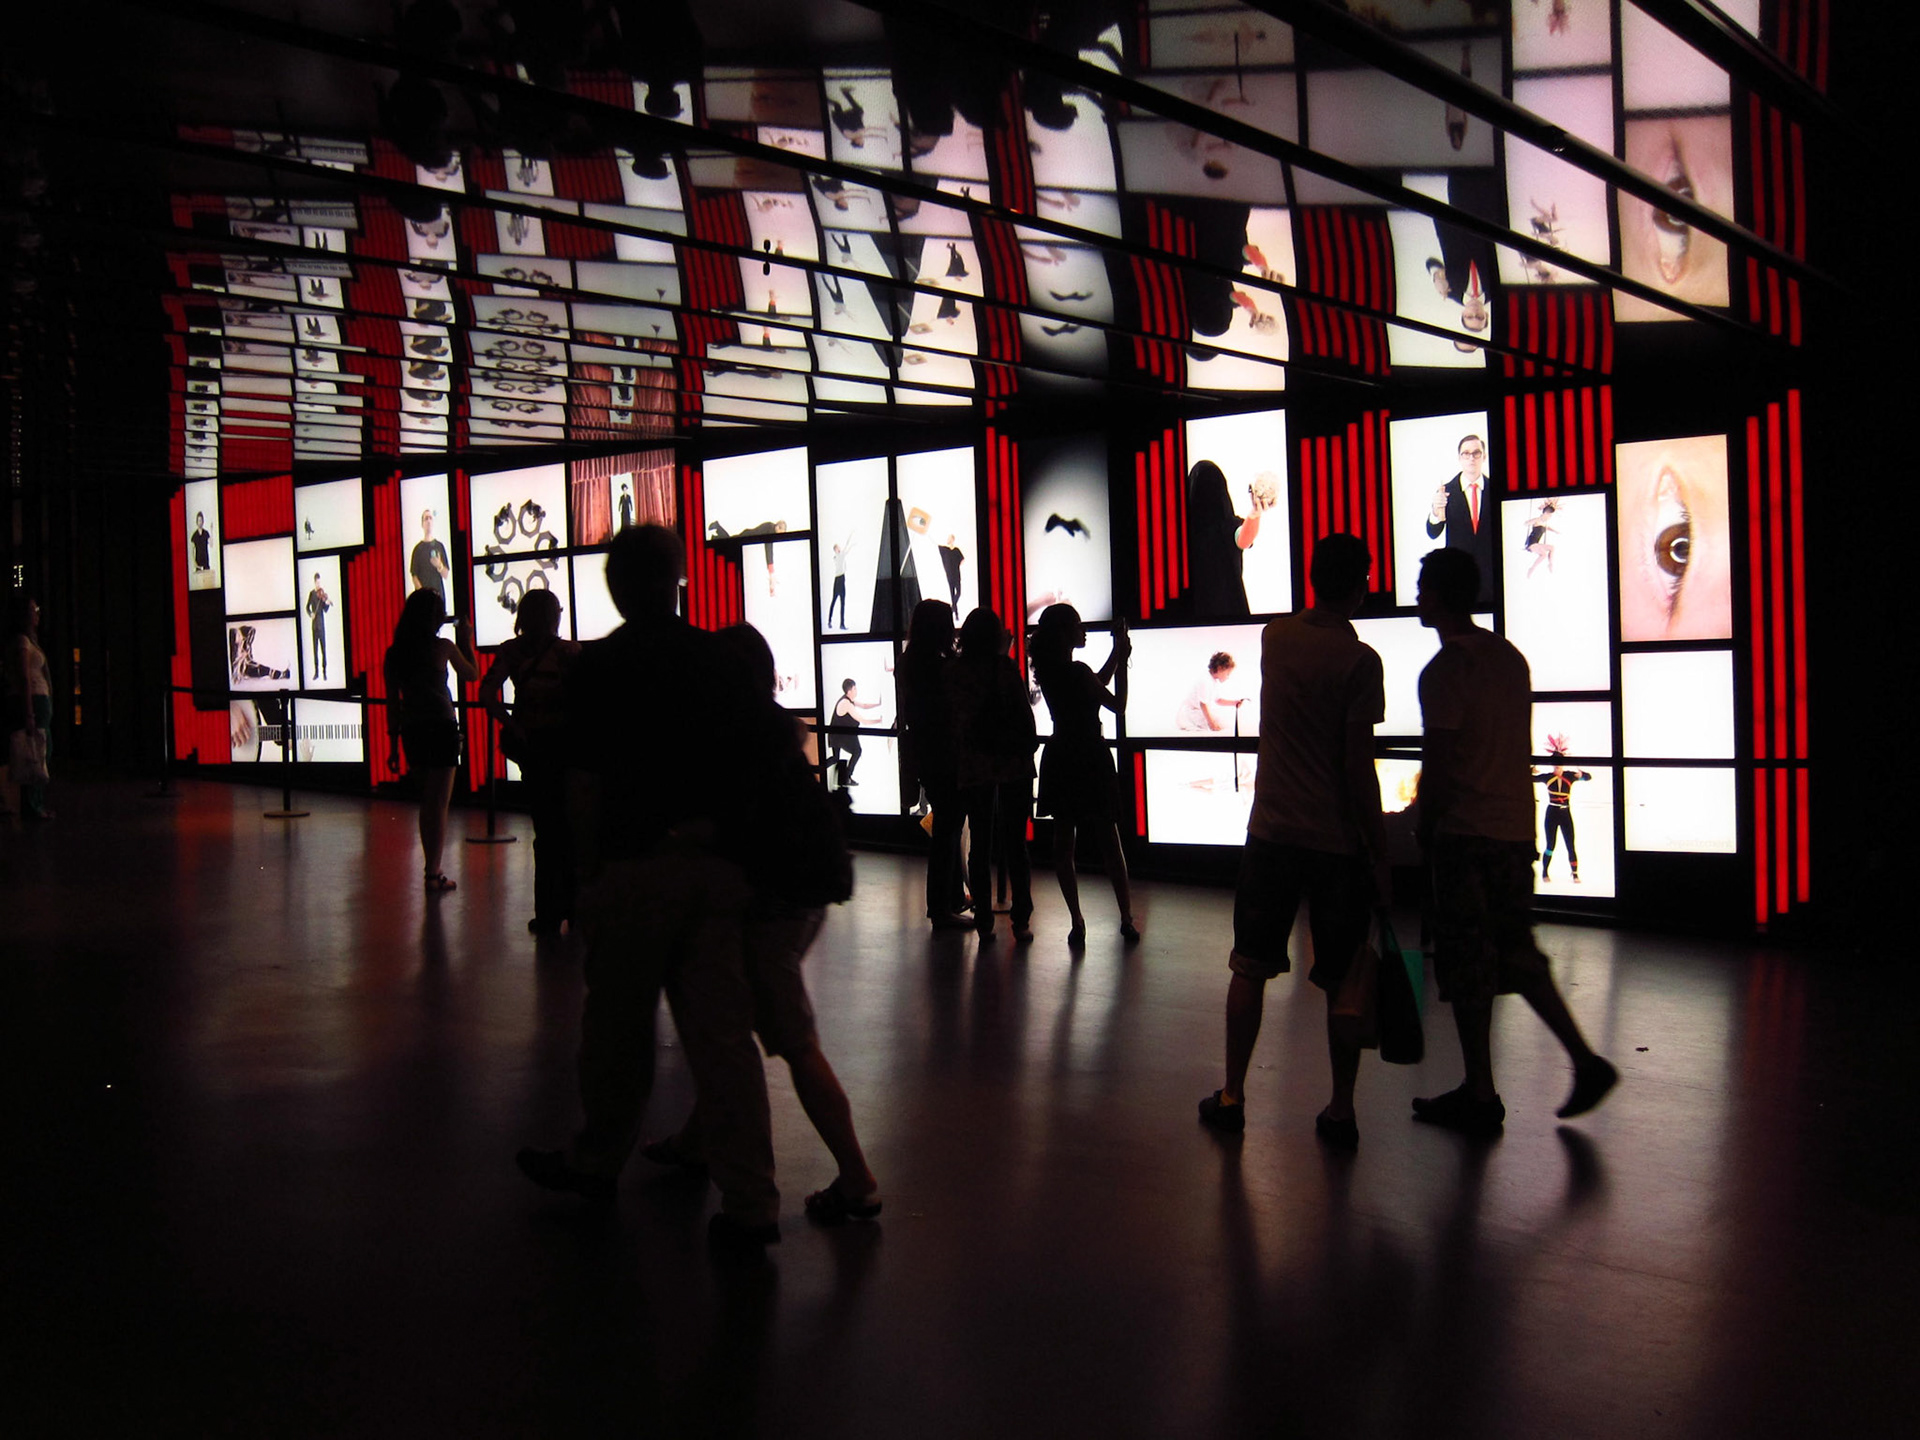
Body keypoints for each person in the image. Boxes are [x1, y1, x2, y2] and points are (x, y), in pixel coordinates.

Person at [515, 525, 788, 1255]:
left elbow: (583, 784)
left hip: (631, 871)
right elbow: (754, 770)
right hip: (711, 872)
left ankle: (597, 1160)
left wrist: (584, 877)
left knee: (615, 1032)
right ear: (677, 579)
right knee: (723, 1041)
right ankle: (753, 1199)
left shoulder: (600, 667)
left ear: (618, 586)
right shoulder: (719, 661)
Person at [643, 624, 881, 1225]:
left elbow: (737, 830)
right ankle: (697, 1142)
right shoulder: (775, 729)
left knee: (785, 1041)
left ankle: (858, 1178)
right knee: (737, 1026)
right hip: (799, 901)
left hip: (769, 906)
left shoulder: (731, 736)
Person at [1411, 547, 1617, 1135]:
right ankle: (1581, 1060)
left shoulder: (1445, 670)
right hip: (1512, 830)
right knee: (1517, 953)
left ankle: (1481, 1093)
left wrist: (1424, 823)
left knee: (1469, 966)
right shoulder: (1508, 658)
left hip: (1466, 833)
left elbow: (1443, 761)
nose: (1419, 594)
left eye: (1424, 585)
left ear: (1442, 595)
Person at [1197, 535, 1388, 1150]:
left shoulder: (1274, 639)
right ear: (1360, 583)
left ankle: (1231, 1097)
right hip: (1335, 839)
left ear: (1310, 576)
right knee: (1339, 978)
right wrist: (1380, 847)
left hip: (1273, 828)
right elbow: (1359, 767)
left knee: (1249, 965)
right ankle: (1340, 1110)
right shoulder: (1361, 661)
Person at [1030, 604, 1137, 945]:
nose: (1084, 630)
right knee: (1110, 841)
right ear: (1065, 633)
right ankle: (1125, 917)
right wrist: (1121, 656)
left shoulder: (1052, 670)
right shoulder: (1077, 672)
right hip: (1091, 755)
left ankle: (1077, 921)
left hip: (1061, 755)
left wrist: (1116, 655)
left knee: (1064, 844)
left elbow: (1092, 682)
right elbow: (1115, 702)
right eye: (1078, 625)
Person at [480, 587, 580, 935]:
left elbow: (486, 693)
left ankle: (548, 912)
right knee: (570, 829)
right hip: (565, 749)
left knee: (545, 830)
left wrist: (513, 725)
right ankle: (574, 907)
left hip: (533, 748)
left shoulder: (512, 652)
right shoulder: (568, 652)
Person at [383, 588, 477, 892]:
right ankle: (433, 871)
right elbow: (472, 675)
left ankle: (431, 868)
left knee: (428, 803)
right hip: (442, 728)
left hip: (413, 730)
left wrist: (393, 744)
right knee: (440, 803)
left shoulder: (395, 653)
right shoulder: (443, 647)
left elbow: (392, 703)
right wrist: (467, 641)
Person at [952, 608, 1036, 943]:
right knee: (1016, 843)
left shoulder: (956, 672)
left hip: (975, 763)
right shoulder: (1004, 667)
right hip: (1012, 762)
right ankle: (1021, 919)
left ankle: (984, 919)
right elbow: (1021, 712)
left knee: (980, 844)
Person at [897, 599, 966, 928]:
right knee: (947, 828)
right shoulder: (936, 666)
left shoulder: (911, 661)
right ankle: (941, 907)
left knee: (946, 825)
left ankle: (949, 901)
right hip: (943, 754)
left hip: (926, 753)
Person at [1184, 460, 1271, 619]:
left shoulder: (1185, 533)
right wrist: (1255, 512)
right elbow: (1243, 538)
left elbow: (1243, 538)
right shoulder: (1225, 527)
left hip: (1201, 616)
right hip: (1227, 614)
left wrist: (1255, 513)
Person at [1425, 435, 1498, 603]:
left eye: (1476, 453)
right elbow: (1433, 532)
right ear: (1459, 458)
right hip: (1457, 578)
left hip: (1491, 579)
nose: (1471, 458)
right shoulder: (1446, 491)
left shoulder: (1496, 489)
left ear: (1484, 457)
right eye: (1466, 453)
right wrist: (1436, 512)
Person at [5, 593, 54, 821]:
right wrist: (30, 713)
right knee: (33, 753)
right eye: (34, 610)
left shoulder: (32, 641)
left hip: (39, 699)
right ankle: (32, 806)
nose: (38, 614)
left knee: (41, 752)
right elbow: (24, 676)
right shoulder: (23, 641)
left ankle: (35, 803)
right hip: (33, 699)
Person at [1533, 753, 1593, 883]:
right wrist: (1531, 770)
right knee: (1550, 845)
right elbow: (1529, 778)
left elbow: (1589, 778)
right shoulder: (1547, 777)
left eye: (1559, 764)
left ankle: (1575, 874)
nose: (1557, 767)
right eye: (1555, 764)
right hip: (1552, 812)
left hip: (1565, 813)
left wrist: (1582, 775)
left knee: (1570, 844)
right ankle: (1544, 873)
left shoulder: (1569, 775)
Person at [826, 678, 880, 787]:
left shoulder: (848, 700)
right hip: (838, 736)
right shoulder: (846, 703)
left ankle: (819, 768)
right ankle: (846, 777)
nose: (856, 691)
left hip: (837, 734)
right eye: (855, 688)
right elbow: (863, 720)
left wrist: (878, 704)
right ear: (849, 691)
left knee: (836, 758)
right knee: (857, 751)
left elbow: (864, 705)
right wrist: (879, 721)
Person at [409, 508, 450, 606]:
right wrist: (423, 594)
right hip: (423, 601)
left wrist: (439, 565)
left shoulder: (439, 546)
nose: (428, 521)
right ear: (422, 524)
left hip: (438, 598)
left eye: (430, 518)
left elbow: (446, 574)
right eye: (426, 518)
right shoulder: (418, 549)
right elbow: (414, 575)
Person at [305, 573, 331, 681]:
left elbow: (325, 609)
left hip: (321, 626)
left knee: (323, 650)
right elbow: (307, 607)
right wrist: (310, 613)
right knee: (315, 650)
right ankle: (316, 673)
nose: (318, 584)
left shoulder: (322, 594)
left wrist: (328, 603)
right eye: (317, 582)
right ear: (314, 582)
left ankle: (324, 672)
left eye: (320, 582)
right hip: (314, 626)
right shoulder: (311, 594)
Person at [1523, 500, 1559, 578]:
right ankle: (1532, 569)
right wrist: (1528, 523)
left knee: (1551, 548)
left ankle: (1550, 564)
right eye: (1550, 515)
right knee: (1544, 554)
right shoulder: (1537, 520)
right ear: (1545, 513)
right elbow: (1526, 523)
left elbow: (1548, 528)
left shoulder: (1543, 523)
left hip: (1536, 544)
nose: (1550, 517)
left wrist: (1556, 531)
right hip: (1531, 543)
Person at [826, 532, 853, 630]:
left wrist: (851, 544)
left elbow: (845, 550)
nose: (839, 549)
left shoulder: (840, 556)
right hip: (838, 580)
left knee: (842, 603)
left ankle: (842, 623)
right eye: (837, 548)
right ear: (835, 550)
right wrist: (851, 542)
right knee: (834, 601)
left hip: (842, 579)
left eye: (839, 547)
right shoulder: (838, 557)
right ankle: (829, 621)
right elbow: (846, 549)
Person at [937, 533, 965, 611]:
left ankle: (953, 606)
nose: (947, 540)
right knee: (952, 594)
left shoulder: (956, 550)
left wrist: (957, 565)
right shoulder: (945, 550)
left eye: (949, 538)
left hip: (956, 574)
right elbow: (937, 545)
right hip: (950, 575)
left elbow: (962, 559)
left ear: (952, 540)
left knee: (958, 592)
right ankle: (956, 614)